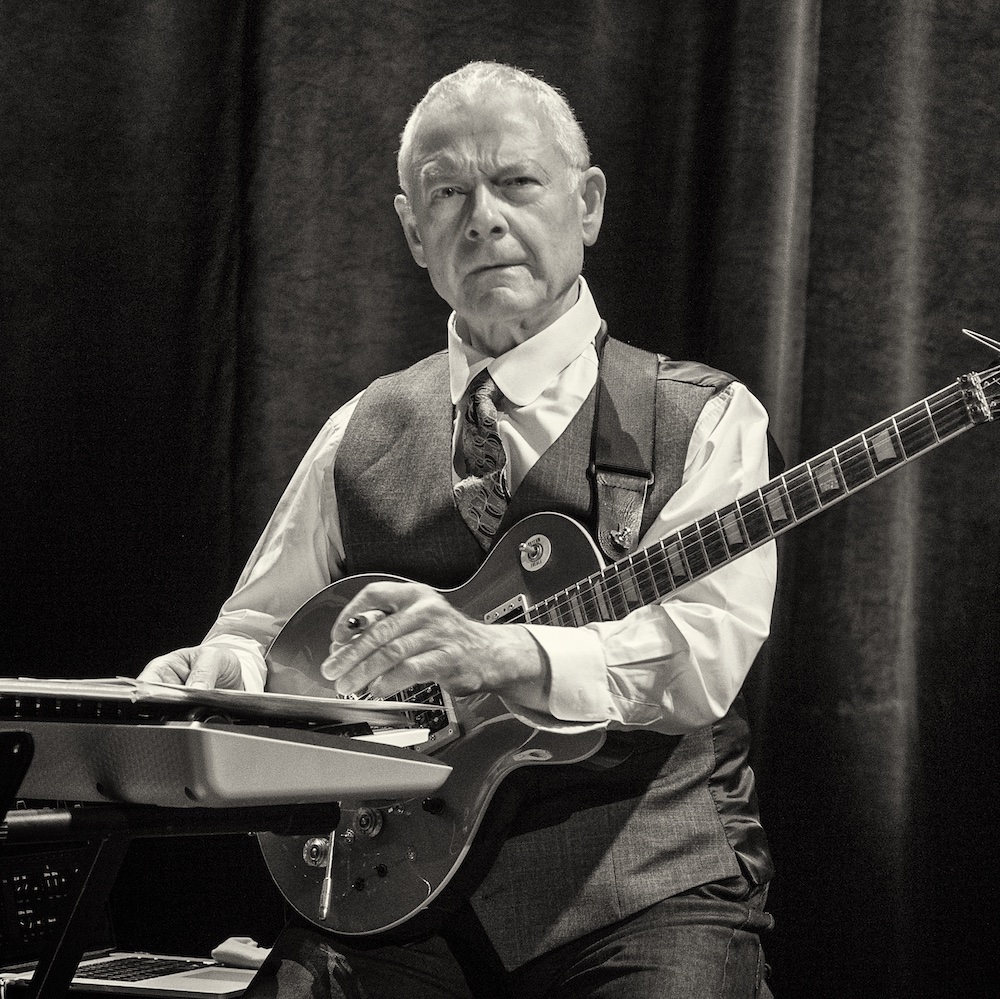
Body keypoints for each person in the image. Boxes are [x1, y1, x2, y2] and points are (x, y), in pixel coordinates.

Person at [141, 61, 777, 999]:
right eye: (448, 193)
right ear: (413, 230)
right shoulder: (358, 428)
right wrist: (215, 675)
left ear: (588, 203)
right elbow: (256, 636)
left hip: (642, 899)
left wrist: (499, 654)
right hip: (395, 900)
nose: (483, 216)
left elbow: (702, 655)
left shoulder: (704, 418)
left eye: (517, 182)